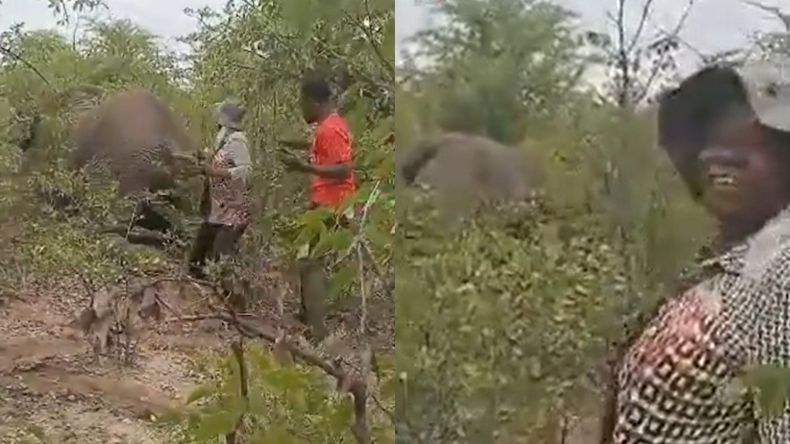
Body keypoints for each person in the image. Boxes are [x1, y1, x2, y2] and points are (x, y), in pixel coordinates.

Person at [608, 61, 790, 443]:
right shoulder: (740, 261)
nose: (718, 161)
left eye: (751, 147)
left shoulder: (779, 274)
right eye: (712, 144)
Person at [278, 72, 357, 339]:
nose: (301, 109)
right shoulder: (328, 128)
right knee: (308, 262)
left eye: (302, 102)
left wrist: (303, 166)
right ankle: (310, 318)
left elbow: (344, 170)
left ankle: (318, 330)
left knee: (311, 264)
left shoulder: (330, 129)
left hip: (332, 205)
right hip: (328, 204)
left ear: (313, 101)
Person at [188, 100, 252, 280]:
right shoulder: (224, 136)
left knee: (220, 261)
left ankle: (229, 298)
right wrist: (203, 156)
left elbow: (245, 172)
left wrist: (215, 172)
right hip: (218, 209)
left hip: (233, 211)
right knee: (196, 260)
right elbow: (217, 155)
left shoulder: (239, 141)